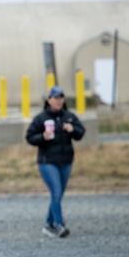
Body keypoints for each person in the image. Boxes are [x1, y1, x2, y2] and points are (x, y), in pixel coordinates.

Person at [25, 86, 85, 238]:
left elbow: (81, 132)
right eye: (55, 98)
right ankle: (59, 224)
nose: (59, 101)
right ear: (49, 100)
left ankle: (48, 224)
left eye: (61, 98)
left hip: (66, 161)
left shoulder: (69, 117)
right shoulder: (41, 118)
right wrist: (42, 137)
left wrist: (73, 129)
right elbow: (30, 137)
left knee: (57, 195)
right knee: (56, 191)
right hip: (47, 162)